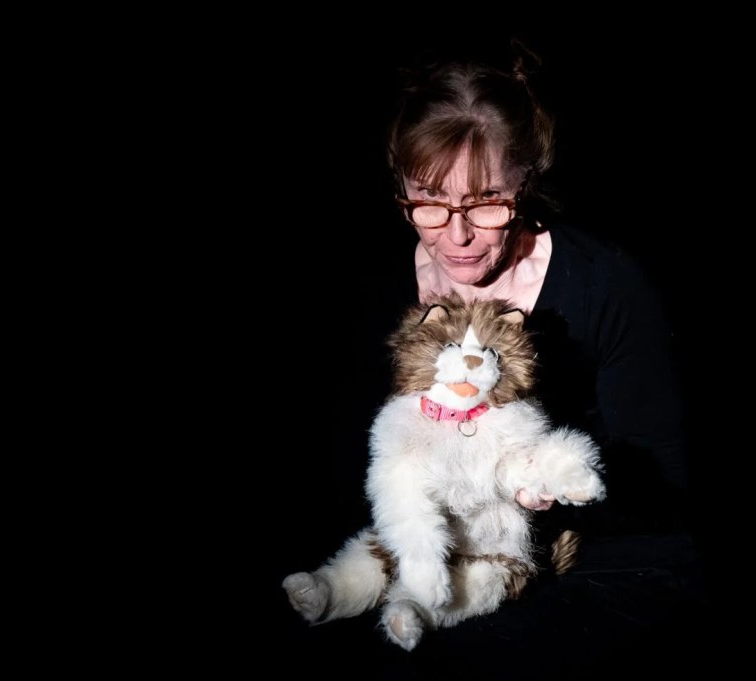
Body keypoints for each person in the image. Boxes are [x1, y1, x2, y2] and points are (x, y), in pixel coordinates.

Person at [276, 38, 709, 673]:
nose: (455, 235)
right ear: (399, 184)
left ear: (526, 183)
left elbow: (663, 483)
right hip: (427, 545)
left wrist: (549, 485)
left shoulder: (605, 285)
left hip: (597, 554)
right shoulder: (374, 287)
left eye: (486, 203)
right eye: (427, 201)